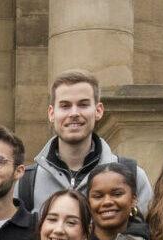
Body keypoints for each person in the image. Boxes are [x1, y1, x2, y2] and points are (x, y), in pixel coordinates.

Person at [21, 70, 152, 215]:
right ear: (52, 114)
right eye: (65, 106)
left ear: (98, 111)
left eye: (83, 104)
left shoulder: (132, 176)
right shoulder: (25, 183)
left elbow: (147, 235)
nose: (74, 113)